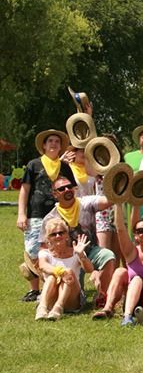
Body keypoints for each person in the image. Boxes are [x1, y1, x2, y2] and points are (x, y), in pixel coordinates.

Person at [41, 176, 117, 309]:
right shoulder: (50, 218)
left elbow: (107, 201)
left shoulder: (85, 202)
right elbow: (44, 248)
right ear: (55, 194)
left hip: (90, 251)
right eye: (61, 188)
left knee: (108, 256)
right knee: (75, 293)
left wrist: (120, 190)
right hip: (68, 258)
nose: (67, 190)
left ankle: (102, 296)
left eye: (70, 186)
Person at [17, 129, 75, 301]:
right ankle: (37, 289)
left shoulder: (64, 167)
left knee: (54, 250)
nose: (54, 143)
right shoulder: (33, 165)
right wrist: (21, 213)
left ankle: (48, 289)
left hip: (58, 215)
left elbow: (72, 191)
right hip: (36, 215)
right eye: (50, 141)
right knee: (33, 250)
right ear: (44, 145)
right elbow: (25, 190)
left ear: (60, 146)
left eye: (57, 141)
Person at [95, 206, 143, 326]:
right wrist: (118, 204)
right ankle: (116, 312)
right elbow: (121, 229)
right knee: (123, 273)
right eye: (140, 231)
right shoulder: (132, 252)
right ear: (135, 236)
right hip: (133, 298)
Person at [35, 220, 93, 320]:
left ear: (67, 235)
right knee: (52, 276)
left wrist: (81, 255)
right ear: (48, 238)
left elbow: (89, 269)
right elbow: (43, 266)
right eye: (53, 234)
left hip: (73, 299)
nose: (58, 236)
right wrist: (60, 272)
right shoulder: (45, 253)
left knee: (69, 271)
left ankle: (58, 308)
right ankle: (42, 308)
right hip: (51, 297)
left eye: (61, 232)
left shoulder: (76, 252)